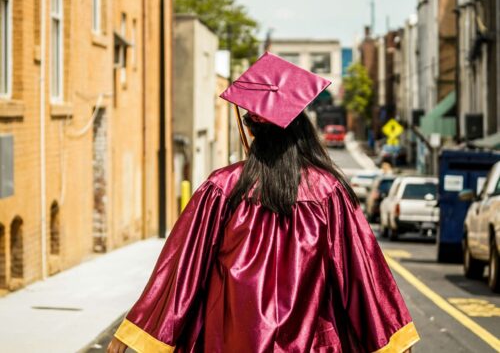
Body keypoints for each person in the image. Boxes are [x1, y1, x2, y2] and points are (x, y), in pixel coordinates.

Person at [107, 52, 419, 353]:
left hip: (229, 342)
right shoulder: (328, 192)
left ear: (251, 130)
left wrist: (137, 328)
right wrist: (392, 339)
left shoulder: (221, 189)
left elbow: (181, 271)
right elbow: (360, 275)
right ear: (301, 130)